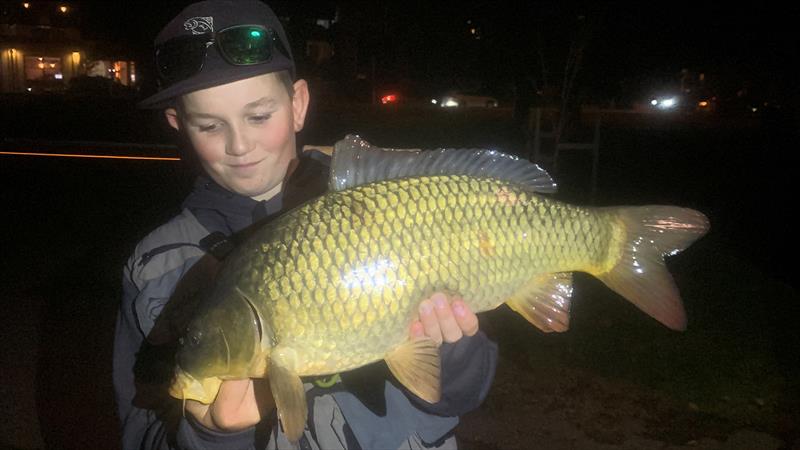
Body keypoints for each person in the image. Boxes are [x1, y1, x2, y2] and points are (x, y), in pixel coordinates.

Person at [113, 1, 498, 449]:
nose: (239, 144)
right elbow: (142, 433)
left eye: (259, 116)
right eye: (210, 125)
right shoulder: (152, 268)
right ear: (178, 124)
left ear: (297, 104)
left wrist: (451, 349)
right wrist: (211, 434)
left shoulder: (390, 211)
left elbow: (465, 393)